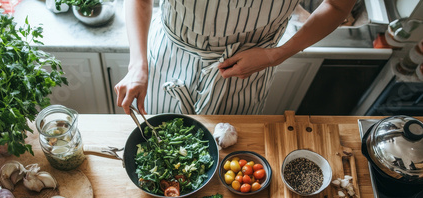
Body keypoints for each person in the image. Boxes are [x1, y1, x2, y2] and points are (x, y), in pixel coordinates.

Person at [115, 0, 357, 115]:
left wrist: (275, 56)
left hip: (247, 70)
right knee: (159, 140)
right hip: (169, 57)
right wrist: (138, 65)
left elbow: (338, 7)